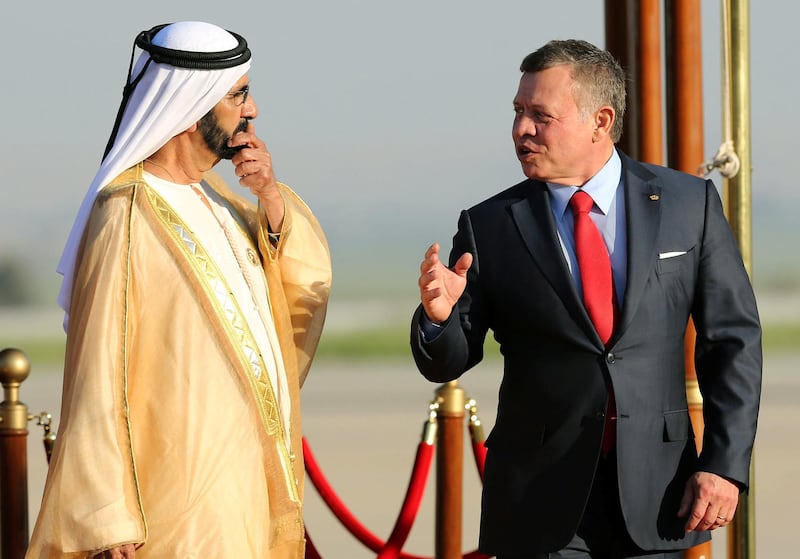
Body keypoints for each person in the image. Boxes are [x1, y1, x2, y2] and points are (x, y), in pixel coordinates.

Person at [410, 39, 761, 558]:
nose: (521, 130)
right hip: (539, 505)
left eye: (540, 116)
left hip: (661, 498)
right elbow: (449, 360)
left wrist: (723, 466)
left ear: (600, 120)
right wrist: (439, 320)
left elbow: (733, 343)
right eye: (518, 112)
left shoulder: (690, 205)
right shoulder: (489, 226)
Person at [26, 21, 331, 559]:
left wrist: (271, 202)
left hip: (246, 492)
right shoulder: (125, 211)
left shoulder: (220, 202)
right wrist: (107, 515)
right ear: (192, 106)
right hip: (174, 506)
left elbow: (298, 295)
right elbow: (98, 369)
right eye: (237, 95)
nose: (252, 108)